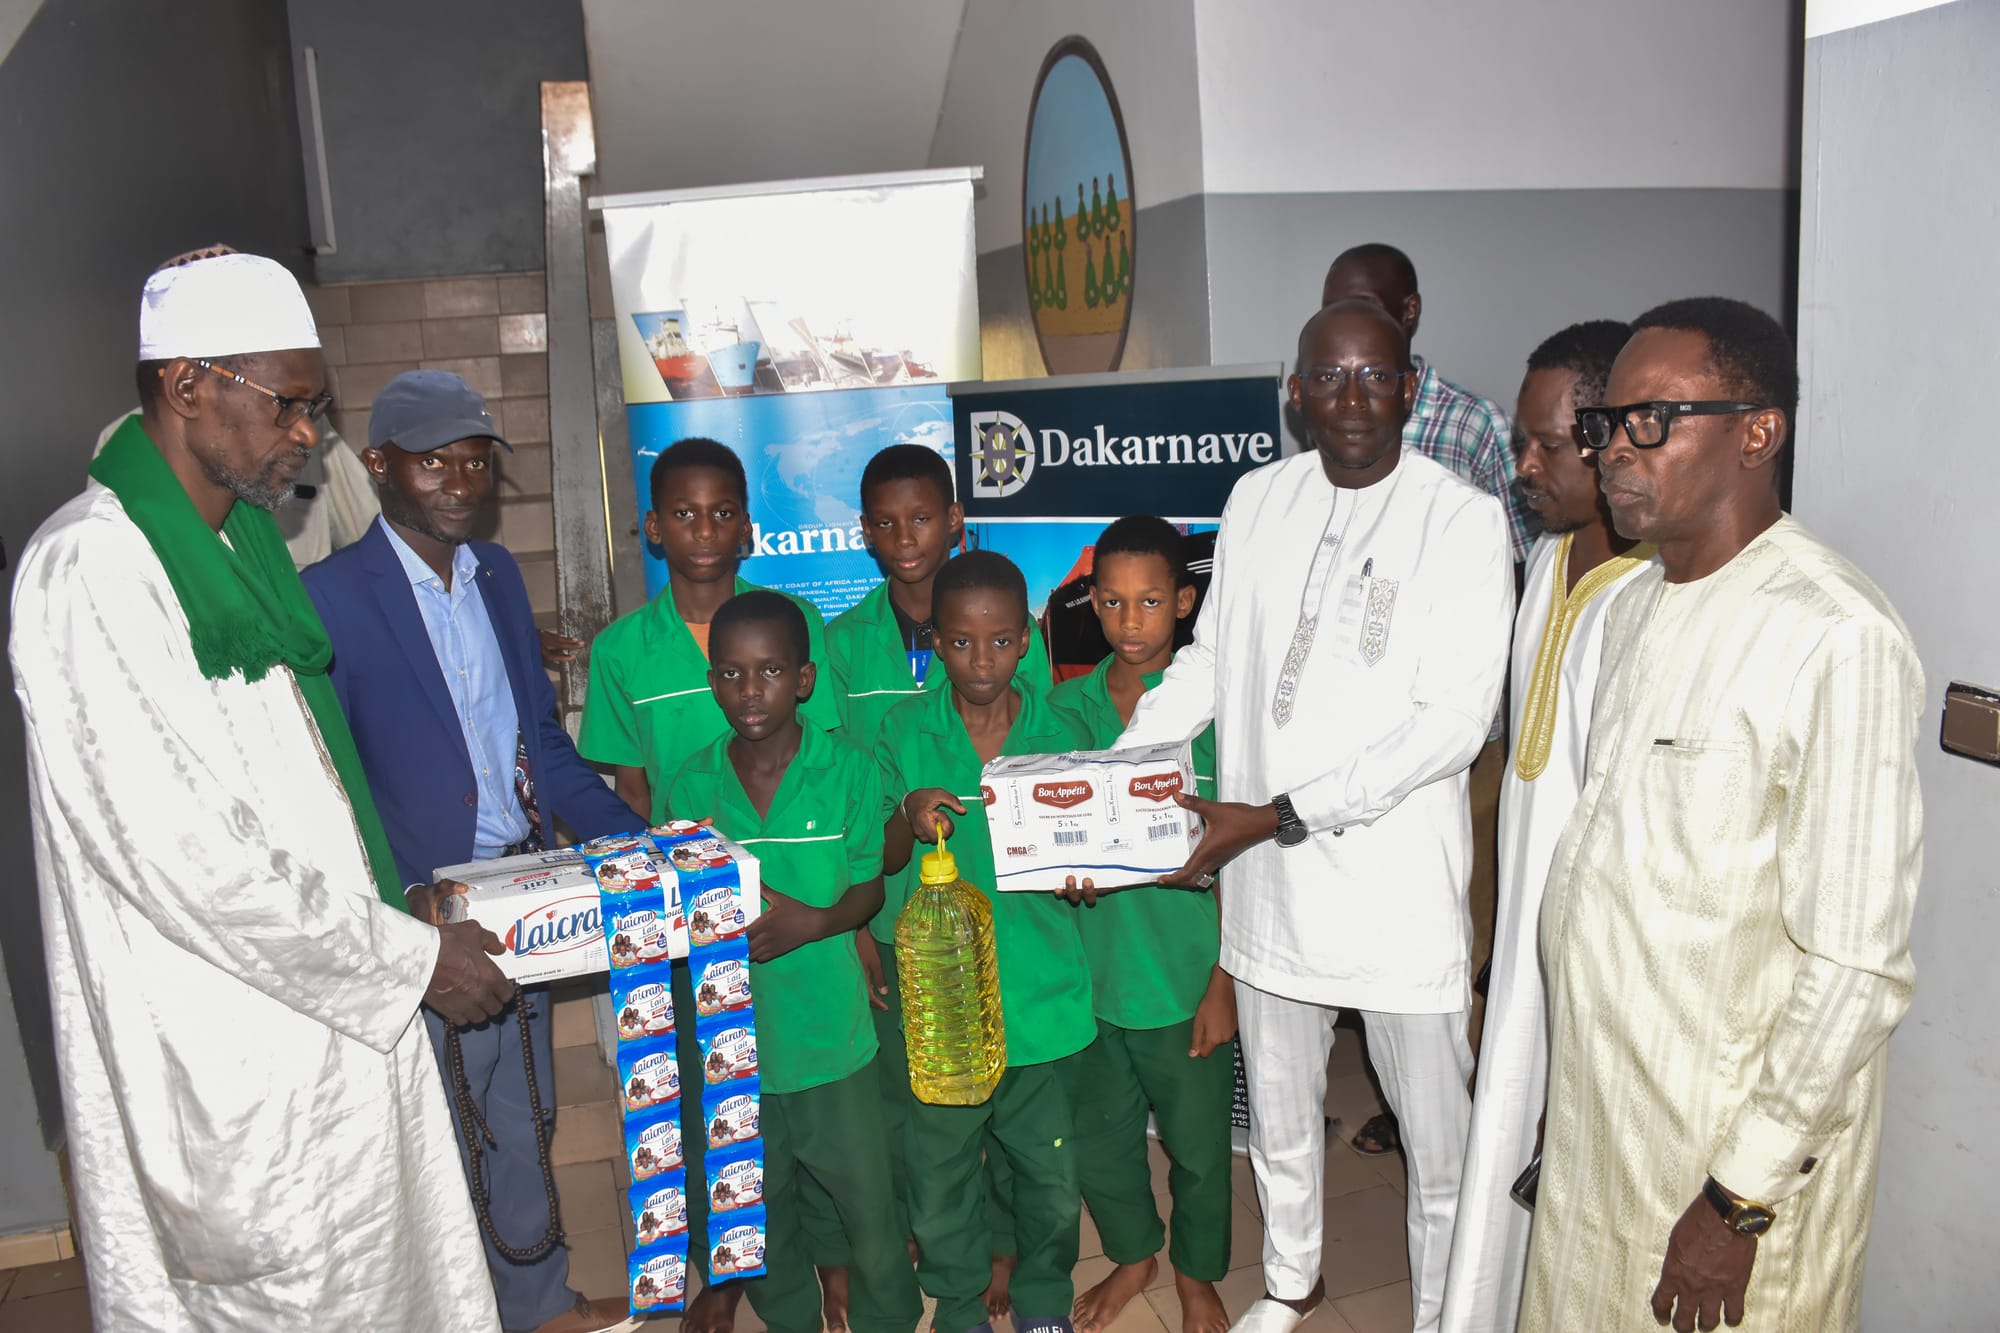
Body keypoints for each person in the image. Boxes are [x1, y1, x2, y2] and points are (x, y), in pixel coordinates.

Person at [9, 251, 513, 1330]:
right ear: (188, 385)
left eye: (317, 408)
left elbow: (303, 786)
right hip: (232, 1054)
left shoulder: (241, 545)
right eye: (289, 404)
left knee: (383, 1283)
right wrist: (405, 959)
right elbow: (182, 855)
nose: (309, 437)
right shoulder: (91, 572)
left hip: (334, 1007)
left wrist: (394, 907)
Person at [1522, 298, 1924, 1333]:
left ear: (1757, 431)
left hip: (1719, 1169)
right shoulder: (1627, 607)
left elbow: (1853, 968)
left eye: (1651, 419)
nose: (1615, 448)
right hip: (1600, 1125)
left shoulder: (1832, 636)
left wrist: (1731, 1202)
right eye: (1606, 422)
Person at [1119, 300, 1513, 1333]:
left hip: (1393, 892)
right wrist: (1120, 774)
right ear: (1293, 392)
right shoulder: (1254, 499)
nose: (1350, 398)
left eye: (1374, 376)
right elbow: (1210, 661)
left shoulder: (1460, 520)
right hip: (1269, 885)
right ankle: (1292, 1280)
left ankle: (1447, 1313)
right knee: (1282, 1110)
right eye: (1328, 377)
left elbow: (1455, 725)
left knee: (1437, 1136)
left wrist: (1276, 812)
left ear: (1410, 389)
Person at [301, 370, 645, 1333]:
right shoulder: (326, 598)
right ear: (378, 466)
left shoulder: (495, 575)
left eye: (473, 460)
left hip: (521, 888)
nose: (459, 479)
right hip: (423, 916)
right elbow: (325, 788)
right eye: (433, 460)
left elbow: (541, 742)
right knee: (450, 1127)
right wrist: (393, 914)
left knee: (524, 1108)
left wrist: (642, 844)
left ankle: (535, 1303)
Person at [576, 436, 841, 1333]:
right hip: (697, 924)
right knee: (709, 1103)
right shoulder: (623, 652)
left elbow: (834, 772)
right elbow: (634, 795)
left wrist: (855, 926)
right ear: (652, 527)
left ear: (748, 526)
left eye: (723, 511)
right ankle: (721, 1280)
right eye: (683, 513)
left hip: (803, 919)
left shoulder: (793, 625)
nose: (704, 529)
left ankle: (829, 1265)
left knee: (813, 1108)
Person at [1438, 321, 1654, 1333]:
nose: (1519, 466)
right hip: (1519, 953)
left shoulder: (1656, 598)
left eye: (1542, 445)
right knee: (1504, 1153)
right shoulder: (1550, 561)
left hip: (1602, 971)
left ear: (1614, 438)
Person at [825, 442, 1050, 1314]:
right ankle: (930, 1231)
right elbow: (842, 790)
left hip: (1002, 913)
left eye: (923, 516)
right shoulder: (842, 648)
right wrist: (853, 926)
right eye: (885, 521)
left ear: (956, 520)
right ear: (865, 533)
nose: (906, 536)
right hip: (895, 918)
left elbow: (1038, 748)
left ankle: (1001, 1248)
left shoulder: (1006, 619)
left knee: (1007, 1082)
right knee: (918, 1101)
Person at [664, 591, 923, 1333]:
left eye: (771, 670)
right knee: (759, 1201)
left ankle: (887, 1317)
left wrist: (814, 921)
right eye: (733, 674)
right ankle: (791, 1318)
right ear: (712, 682)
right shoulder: (691, 785)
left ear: (805, 679)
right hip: (734, 1047)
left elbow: (871, 884)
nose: (751, 691)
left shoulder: (847, 770)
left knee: (867, 1202)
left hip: (831, 1039)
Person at [1320, 242, 1524, 1159]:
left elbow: (1517, 559)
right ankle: (1404, 1090)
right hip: (1345, 724)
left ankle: (1452, 1102)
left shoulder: (1472, 424)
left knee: (1450, 906)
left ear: (1409, 312)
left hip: (1449, 726)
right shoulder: (1331, 413)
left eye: (1368, 309)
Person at [876, 550, 1095, 1333]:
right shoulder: (902, 732)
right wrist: (904, 813)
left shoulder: (1065, 727)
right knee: (938, 1180)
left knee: (1049, 1174)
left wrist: (1087, 876)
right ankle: (960, 1304)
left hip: (1040, 999)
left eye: (1001, 640)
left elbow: (1094, 851)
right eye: (962, 641)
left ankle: (1042, 1301)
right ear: (935, 640)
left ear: (1028, 638)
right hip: (946, 1016)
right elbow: (878, 857)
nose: (982, 659)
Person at [1046, 517, 1235, 1333]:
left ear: (1185, 602)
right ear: (1091, 599)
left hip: (1185, 973)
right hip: (1087, 979)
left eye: (1152, 600)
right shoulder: (1062, 707)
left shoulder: (1215, 713)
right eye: (1113, 600)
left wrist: (1226, 979)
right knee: (1100, 1142)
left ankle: (1197, 1273)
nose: (1130, 620)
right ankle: (1134, 1252)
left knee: (1198, 1148)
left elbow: (1248, 855)